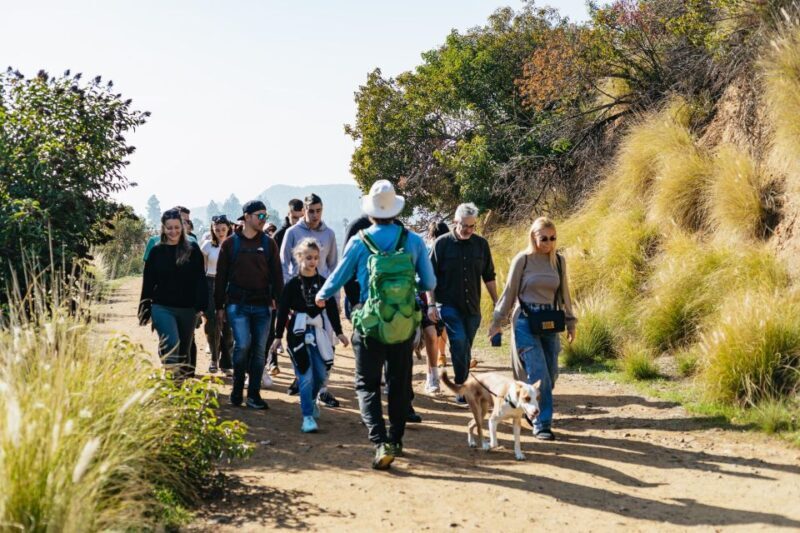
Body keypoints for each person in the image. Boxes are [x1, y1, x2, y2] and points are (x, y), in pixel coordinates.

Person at [316, 180, 435, 470]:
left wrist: (321, 296)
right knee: (399, 383)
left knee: (367, 384)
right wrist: (405, 289)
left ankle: (380, 442)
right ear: (395, 210)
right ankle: (396, 439)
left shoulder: (359, 241)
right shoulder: (413, 241)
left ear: (370, 211)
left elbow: (339, 277)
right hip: (403, 324)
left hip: (370, 325)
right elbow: (429, 281)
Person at [488, 217, 577, 441]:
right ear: (533, 237)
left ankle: (530, 404)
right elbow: (509, 292)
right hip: (526, 321)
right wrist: (497, 321)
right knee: (539, 372)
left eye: (552, 238)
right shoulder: (523, 260)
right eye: (543, 238)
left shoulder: (558, 261)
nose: (548, 243)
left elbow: (564, 293)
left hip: (550, 320)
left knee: (551, 374)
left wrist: (570, 321)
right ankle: (542, 423)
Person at [272, 238, 349, 433]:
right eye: (308, 257)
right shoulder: (291, 285)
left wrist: (339, 332)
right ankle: (307, 416)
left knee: (321, 374)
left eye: (315, 258)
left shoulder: (323, 283)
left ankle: (312, 400)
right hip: (297, 334)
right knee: (305, 375)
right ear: (299, 257)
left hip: (318, 332)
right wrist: (278, 336)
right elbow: (282, 311)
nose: (313, 261)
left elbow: (331, 308)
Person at [214, 200, 283, 410]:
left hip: (263, 305)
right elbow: (221, 277)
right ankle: (236, 392)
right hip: (237, 304)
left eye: (265, 216)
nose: (263, 220)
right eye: (259, 216)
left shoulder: (269, 244)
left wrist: (280, 302)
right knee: (242, 345)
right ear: (246, 217)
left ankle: (253, 395)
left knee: (259, 350)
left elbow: (277, 276)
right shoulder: (230, 244)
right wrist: (219, 307)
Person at [427, 203, 498, 407]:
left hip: (473, 307)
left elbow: (489, 275)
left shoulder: (481, 245)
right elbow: (429, 277)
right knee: (458, 340)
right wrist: (431, 304)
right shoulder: (441, 244)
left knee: (465, 347)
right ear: (455, 222)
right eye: (464, 225)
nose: (468, 230)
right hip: (448, 305)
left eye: (472, 226)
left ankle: (464, 384)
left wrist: (497, 302)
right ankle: (461, 387)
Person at [281, 193, 340, 407]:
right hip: (299, 299)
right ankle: (302, 379)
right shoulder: (292, 232)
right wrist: (289, 293)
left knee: (326, 343)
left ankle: (322, 388)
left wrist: (335, 297)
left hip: (322, 298)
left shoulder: (329, 234)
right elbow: (283, 263)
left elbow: (333, 267)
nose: (315, 215)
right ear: (304, 210)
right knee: (299, 341)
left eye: (318, 211)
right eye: (311, 211)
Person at [139, 209, 207, 379]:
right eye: (169, 228)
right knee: (171, 344)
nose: (173, 231)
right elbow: (148, 282)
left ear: (182, 227)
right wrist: (144, 308)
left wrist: (202, 305)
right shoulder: (156, 251)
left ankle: (179, 385)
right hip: (162, 307)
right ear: (163, 228)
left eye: (177, 227)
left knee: (184, 351)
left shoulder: (193, 250)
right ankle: (170, 383)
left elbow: (200, 278)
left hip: (188, 308)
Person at [200, 215, 234, 375]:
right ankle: (214, 358)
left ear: (228, 228)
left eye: (223, 229)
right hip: (210, 283)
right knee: (212, 323)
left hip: (229, 285)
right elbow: (201, 270)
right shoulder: (207, 246)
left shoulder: (234, 244)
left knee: (228, 325)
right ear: (212, 229)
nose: (220, 232)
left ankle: (226, 362)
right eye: (217, 229)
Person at [421, 220, 450, 393]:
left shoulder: (427, 248)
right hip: (432, 298)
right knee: (435, 331)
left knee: (434, 332)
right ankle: (440, 358)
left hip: (430, 297)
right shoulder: (444, 249)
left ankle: (438, 362)